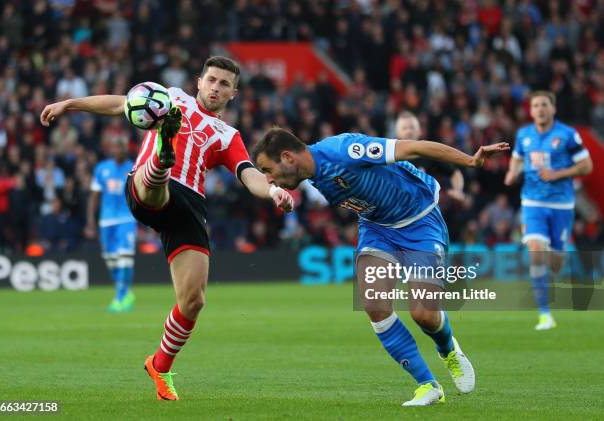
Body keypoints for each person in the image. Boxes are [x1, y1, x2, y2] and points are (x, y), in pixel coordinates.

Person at [40, 56, 294, 400]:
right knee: (157, 182)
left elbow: (249, 175)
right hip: (147, 187)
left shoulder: (228, 136)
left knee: (193, 300)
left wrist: (274, 190)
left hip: (189, 206)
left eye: (224, 84)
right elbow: (120, 104)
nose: (216, 87)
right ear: (198, 82)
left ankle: (159, 366)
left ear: (233, 94)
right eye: (212, 80)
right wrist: (70, 104)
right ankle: (162, 157)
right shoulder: (170, 97)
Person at [253, 128, 509, 406]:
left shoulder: (344, 150)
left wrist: (470, 161)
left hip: (420, 221)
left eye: (268, 169)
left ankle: (448, 349)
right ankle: (427, 385)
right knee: (374, 304)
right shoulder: (312, 173)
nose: (268, 179)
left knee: (424, 314)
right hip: (377, 229)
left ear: (288, 157)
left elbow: (415, 147)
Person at [504, 90, 592, 330]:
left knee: (555, 263)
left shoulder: (567, 135)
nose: (540, 109)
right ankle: (545, 314)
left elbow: (586, 166)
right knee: (535, 249)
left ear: (553, 109)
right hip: (533, 202)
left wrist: (558, 174)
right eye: (536, 105)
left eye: (544, 104)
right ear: (531, 111)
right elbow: (517, 158)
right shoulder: (524, 135)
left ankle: (555, 257)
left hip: (562, 204)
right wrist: (512, 173)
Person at [86, 136, 137, 312]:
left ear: (126, 149)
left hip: (127, 219)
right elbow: (94, 196)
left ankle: (120, 297)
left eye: (122, 147)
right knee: (111, 260)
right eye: (116, 147)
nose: (119, 150)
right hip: (106, 221)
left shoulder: (133, 168)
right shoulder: (102, 169)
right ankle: (124, 292)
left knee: (125, 258)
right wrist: (91, 221)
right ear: (111, 150)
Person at [396, 111, 465, 201]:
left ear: (419, 131)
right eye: (404, 128)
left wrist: (458, 190)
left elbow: (454, 172)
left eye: (412, 127)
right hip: (398, 211)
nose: (409, 131)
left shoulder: (428, 153)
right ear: (397, 132)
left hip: (425, 210)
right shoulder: (390, 156)